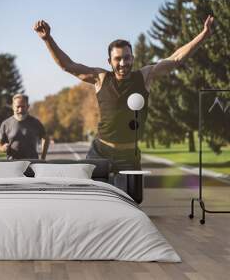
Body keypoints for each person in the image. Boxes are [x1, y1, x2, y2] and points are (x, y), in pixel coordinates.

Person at [34, 16, 214, 172]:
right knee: (95, 203)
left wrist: (203, 35)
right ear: (110, 61)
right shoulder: (100, 78)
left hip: (129, 156)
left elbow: (175, 59)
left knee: (132, 202)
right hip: (100, 153)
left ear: (132, 58)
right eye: (117, 59)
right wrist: (47, 39)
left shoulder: (144, 77)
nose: (122, 63)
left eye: (126, 58)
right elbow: (68, 66)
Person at [0, 94, 50, 160]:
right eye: (18, 107)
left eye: (23, 107)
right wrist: (2, 148)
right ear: (13, 107)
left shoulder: (35, 122)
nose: (20, 110)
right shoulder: (6, 124)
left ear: (28, 107)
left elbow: (45, 138)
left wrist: (43, 158)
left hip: (32, 165)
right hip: (12, 165)